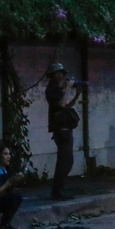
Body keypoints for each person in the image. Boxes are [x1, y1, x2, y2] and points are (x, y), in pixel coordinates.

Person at [45, 62, 81, 200]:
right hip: (60, 128)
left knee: (67, 160)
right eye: (57, 72)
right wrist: (67, 88)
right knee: (64, 160)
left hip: (65, 127)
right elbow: (60, 104)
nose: (60, 75)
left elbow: (66, 105)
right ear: (52, 75)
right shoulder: (52, 89)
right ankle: (57, 191)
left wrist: (76, 95)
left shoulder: (58, 89)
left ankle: (59, 189)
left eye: (62, 73)